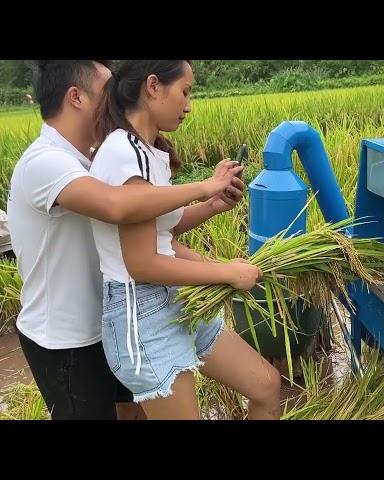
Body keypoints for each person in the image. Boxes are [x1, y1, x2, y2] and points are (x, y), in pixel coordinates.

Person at [7, 60, 242, 420]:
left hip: (115, 321)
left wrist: (210, 206)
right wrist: (203, 187)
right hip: (67, 341)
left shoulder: (90, 158)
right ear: (76, 98)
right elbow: (118, 206)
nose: (119, 98)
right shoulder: (46, 162)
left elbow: (151, 227)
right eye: (108, 92)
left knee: (133, 415)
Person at [90, 60, 281, 420]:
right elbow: (143, 263)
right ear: (153, 86)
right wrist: (225, 273)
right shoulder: (123, 153)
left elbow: (164, 232)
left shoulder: (146, 151)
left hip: (175, 298)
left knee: (266, 385)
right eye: (185, 91)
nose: (189, 104)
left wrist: (212, 204)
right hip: (142, 312)